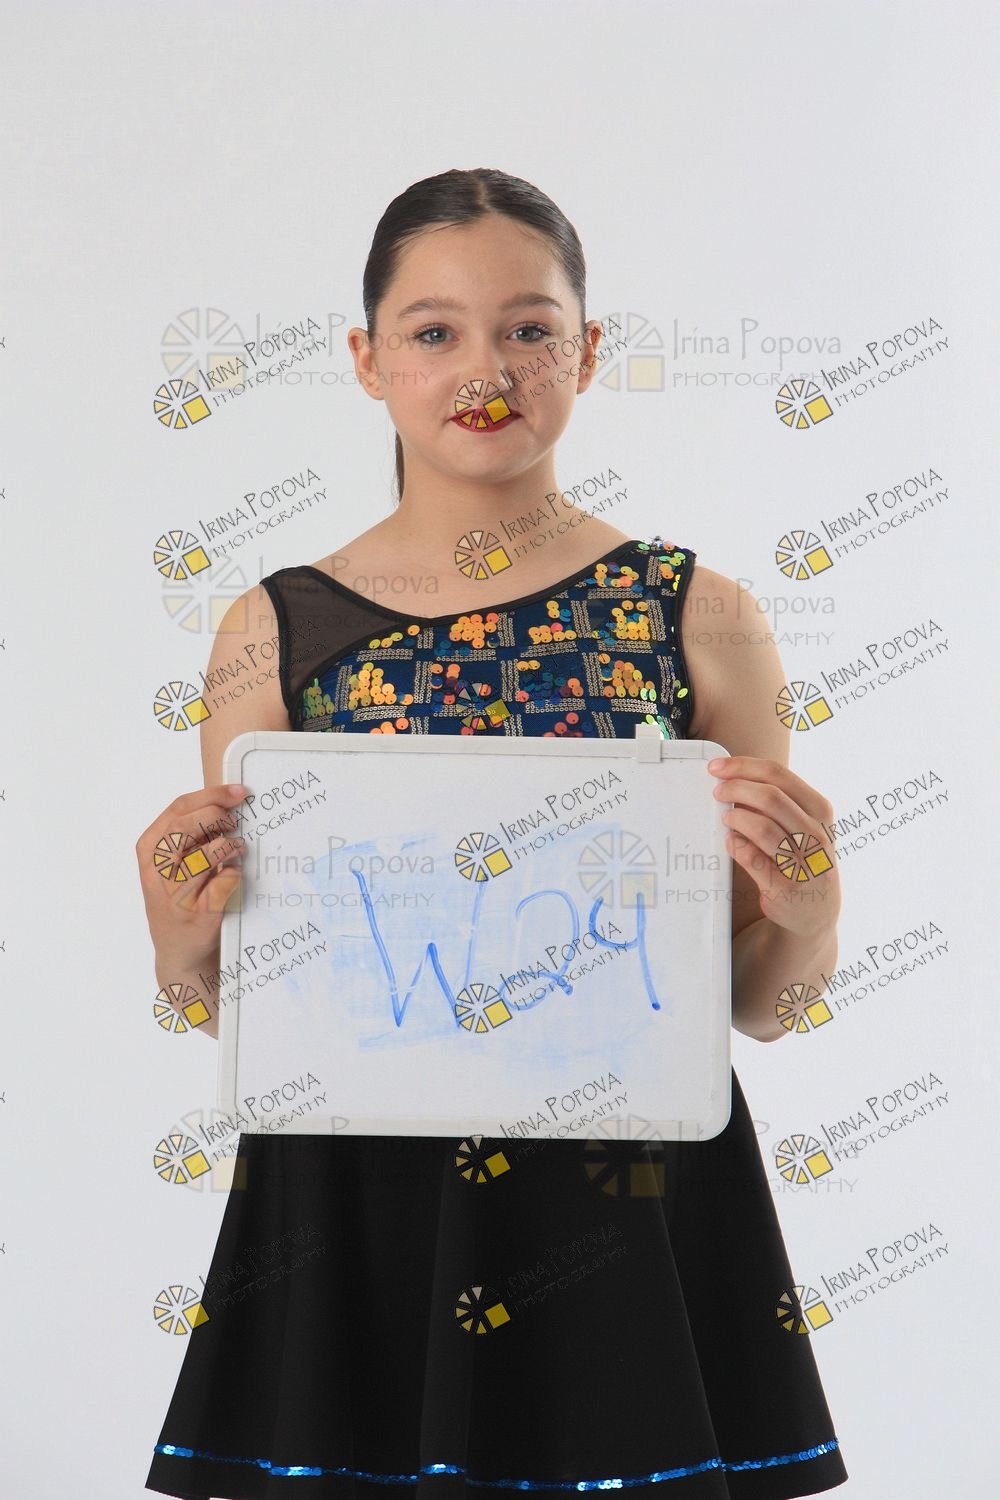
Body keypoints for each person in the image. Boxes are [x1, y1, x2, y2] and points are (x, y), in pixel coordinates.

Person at [139, 168, 848, 1500]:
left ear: (589, 350)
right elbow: (243, 1010)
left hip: (626, 1189)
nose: (487, 368)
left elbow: (761, 1005)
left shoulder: (700, 616)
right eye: (435, 331)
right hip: (351, 1197)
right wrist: (178, 938)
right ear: (367, 361)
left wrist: (810, 915)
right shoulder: (271, 628)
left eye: (531, 329)